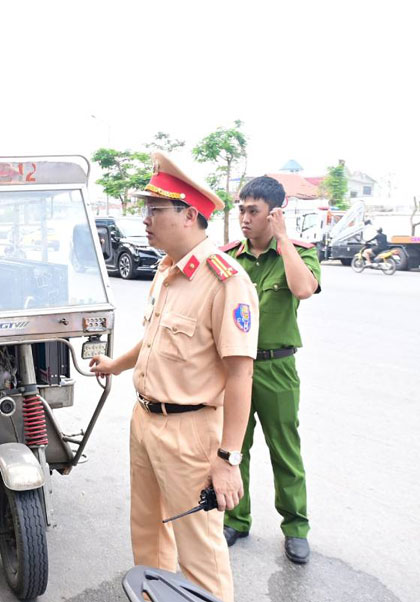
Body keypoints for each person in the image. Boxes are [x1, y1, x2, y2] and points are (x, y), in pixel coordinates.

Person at [89, 152, 259, 602]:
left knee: (200, 554)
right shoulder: (166, 271)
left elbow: (241, 374)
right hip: (145, 421)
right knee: (148, 534)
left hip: (191, 433)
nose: (145, 219)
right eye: (146, 209)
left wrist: (228, 459)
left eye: (155, 209)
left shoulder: (226, 281)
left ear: (188, 215)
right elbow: (153, 340)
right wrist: (116, 365)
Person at [221, 176, 321, 564]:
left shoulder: (298, 254)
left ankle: (296, 528)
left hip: (277, 367)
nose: (245, 218)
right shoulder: (230, 257)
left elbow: (303, 289)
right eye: (241, 210)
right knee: (234, 449)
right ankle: (236, 519)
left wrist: (283, 240)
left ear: (274, 213)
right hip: (235, 368)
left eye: (254, 211)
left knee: (285, 451)